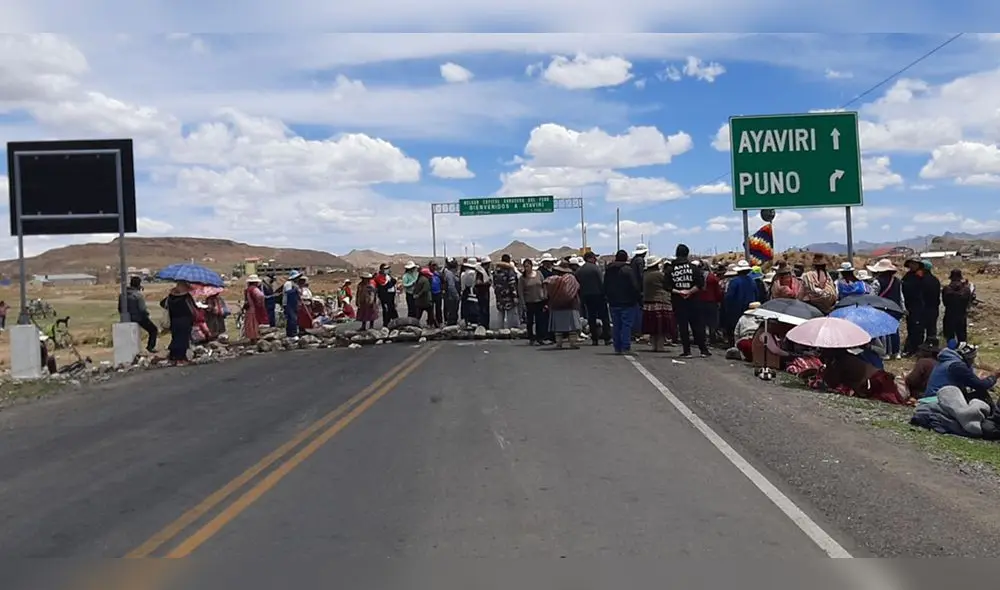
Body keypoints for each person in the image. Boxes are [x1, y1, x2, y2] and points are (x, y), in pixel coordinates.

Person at [925, 342, 999, 412]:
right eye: (972, 358)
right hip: (939, 399)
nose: (973, 361)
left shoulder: (947, 361)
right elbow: (981, 385)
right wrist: (994, 376)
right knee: (981, 393)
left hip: (933, 397)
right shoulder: (958, 366)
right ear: (967, 357)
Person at [670, 244, 711, 358]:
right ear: (687, 254)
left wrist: (680, 292)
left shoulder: (671, 268)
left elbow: (666, 286)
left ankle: (687, 351)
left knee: (683, 327)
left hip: (678, 301)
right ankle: (703, 350)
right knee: (697, 325)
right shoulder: (694, 268)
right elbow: (700, 284)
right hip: (694, 301)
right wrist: (690, 291)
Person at [604, 249, 642, 355]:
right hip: (628, 302)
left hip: (613, 302)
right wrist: (638, 298)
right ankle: (626, 347)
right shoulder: (628, 270)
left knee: (616, 325)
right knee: (626, 325)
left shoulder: (609, 270)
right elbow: (634, 286)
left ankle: (617, 347)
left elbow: (605, 285)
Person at [868, 258, 903, 359]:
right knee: (895, 331)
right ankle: (897, 352)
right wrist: (903, 308)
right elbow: (901, 297)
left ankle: (886, 352)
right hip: (895, 308)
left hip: (883, 309)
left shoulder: (877, 282)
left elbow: (872, 297)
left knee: (884, 332)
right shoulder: (897, 281)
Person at [575, 251, 611, 346]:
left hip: (586, 296)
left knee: (591, 317)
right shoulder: (596, 269)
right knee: (604, 317)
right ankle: (607, 337)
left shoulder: (580, 270)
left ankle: (594, 338)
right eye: (594, 257)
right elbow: (601, 282)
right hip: (599, 295)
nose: (595, 259)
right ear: (590, 258)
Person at [545, 262, 582, 349]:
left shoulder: (552, 280)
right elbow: (577, 288)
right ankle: (573, 343)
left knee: (558, 327)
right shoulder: (571, 279)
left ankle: (559, 343)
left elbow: (546, 289)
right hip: (570, 305)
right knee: (572, 327)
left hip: (556, 306)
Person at [641, 256, 673, 353]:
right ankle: (660, 346)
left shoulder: (645, 275)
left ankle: (654, 346)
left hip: (648, 302)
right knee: (661, 328)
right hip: (661, 301)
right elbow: (669, 284)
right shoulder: (659, 275)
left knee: (653, 328)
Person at [160, 281, 196, 365]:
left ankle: (173, 357)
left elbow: (162, 303)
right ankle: (181, 358)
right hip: (185, 320)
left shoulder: (170, 297)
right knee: (183, 340)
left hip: (174, 321)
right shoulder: (186, 297)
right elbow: (192, 308)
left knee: (175, 338)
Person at [724, 260, 758, 346]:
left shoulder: (734, 281)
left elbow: (729, 297)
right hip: (749, 308)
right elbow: (756, 294)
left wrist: (726, 308)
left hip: (735, 309)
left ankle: (734, 345)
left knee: (735, 328)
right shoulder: (752, 281)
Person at [119, 276, 158, 353]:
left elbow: (120, 308)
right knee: (153, 330)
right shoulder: (138, 295)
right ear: (139, 284)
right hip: (139, 317)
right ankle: (150, 347)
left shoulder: (122, 295)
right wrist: (147, 315)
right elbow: (142, 309)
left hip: (127, 317)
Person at [518, 258, 548, 345]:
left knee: (540, 320)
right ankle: (531, 338)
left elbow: (544, 284)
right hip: (529, 301)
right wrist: (523, 303)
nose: (526, 268)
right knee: (530, 321)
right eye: (525, 266)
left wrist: (545, 295)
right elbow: (520, 291)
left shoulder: (538, 274)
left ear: (531, 266)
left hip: (540, 300)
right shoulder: (522, 278)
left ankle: (540, 338)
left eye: (528, 266)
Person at [901, 258, 927, 355]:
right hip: (909, 305)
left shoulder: (921, 276)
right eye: (911, 264)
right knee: (911, 327)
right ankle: (911, 348)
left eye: (914, 264)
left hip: (919, 305)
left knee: (918, 328)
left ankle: (916, 348)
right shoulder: (908, 276)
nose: (912, 266)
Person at [696, 260, 723, 346]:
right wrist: (719, 300)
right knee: (712, 322)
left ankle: (702, 339)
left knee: (701, 322)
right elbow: (718, 291)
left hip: (700, 301)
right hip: (712, 302)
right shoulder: (712, 278)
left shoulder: (697, 276)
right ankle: (712, 339)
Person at [942, 269, 972, 344]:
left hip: (949, 315)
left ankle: (951, 353)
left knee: (950, 338)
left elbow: (945, 303)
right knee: (962, 338)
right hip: (961, 316)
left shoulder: (946, 289)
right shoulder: (966, 289)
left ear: (951, 278)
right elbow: (968, 302)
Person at [493, 254, 520, 329]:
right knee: (511, 314)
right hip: (508, 296)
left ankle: (500, 330)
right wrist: (515, 296)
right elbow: (512, 284)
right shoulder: (509, 271)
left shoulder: (496, 271)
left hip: (499, 296)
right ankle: (511, 330)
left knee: (500, 313)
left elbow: (494, 284)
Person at [920, 260, 942, 347]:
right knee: (932, 329)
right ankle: (932, 347)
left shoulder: (922, 280)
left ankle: (922, 347)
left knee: (921, 329)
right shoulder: (935, 280)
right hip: (934, 308)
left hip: (924, 308)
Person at [629, 244, 648, 340]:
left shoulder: (633, 260)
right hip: (639, 289)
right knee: (639, 310)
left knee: (634, 310)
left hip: (632, 289)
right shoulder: (640, 261)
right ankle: (638, 331)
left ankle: (634, 331)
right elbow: (641, 276)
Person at [242, 274, 269, 343]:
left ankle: (252, 338)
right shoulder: (254, 289)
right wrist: (260, 303)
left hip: (249, 309)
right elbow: (260, 296)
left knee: (250, 323)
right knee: (255, 323)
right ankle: (256, 337)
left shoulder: (247, 289)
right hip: (254, 309)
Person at [282, 271, 303, 338]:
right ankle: (292, 333)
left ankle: (291, 333)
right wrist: (295, 290)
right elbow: (288, 292)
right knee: (292, 318)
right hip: (288, 303)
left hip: (294, 303)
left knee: (293, 319)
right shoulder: (288, 283)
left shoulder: (294, 284)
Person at [460, 260, 480, 327]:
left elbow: (462, 286)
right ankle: (474, 321)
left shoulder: (463, 274)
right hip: (474, 291)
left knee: (466, 307)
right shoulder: (475, 273)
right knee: (474, 306)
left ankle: (467, 321)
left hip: (466, 291)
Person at [442, 258, 461, 326]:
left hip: (452, 297)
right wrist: (456, 296)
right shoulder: (449, 274)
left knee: (454, 313)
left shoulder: (452, 273)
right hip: (451, 298)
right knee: (452, 314)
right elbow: (451, 286)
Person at [476, 256, 493, 328]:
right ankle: (483, 326)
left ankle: (485, 325)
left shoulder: (485, 271)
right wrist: (487, 283)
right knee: (483, 310)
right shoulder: (480, 272)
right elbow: (478, 282)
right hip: (482, 293)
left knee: (485, 309)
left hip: (485, 292)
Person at [429, 261, 444, 327]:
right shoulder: (428, 274)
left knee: (438, 308)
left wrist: (443, 290)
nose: (434, 267)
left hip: (438, 293)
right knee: (430, 309)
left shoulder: (439, 274)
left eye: (435, 265)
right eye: (433, 265)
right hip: (430, 293)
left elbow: (443, 282)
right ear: (429, 266)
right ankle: (430, 322)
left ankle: (440, 321)